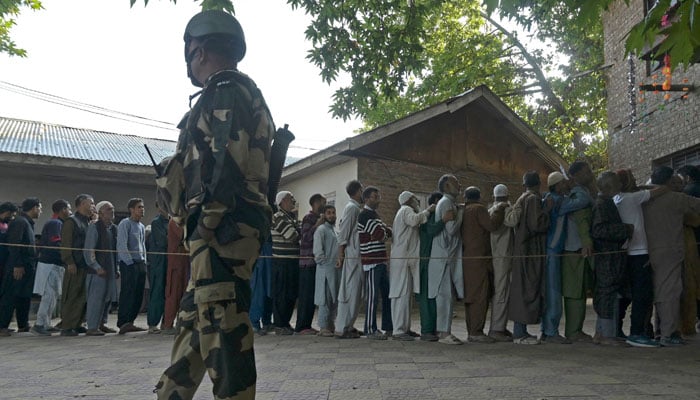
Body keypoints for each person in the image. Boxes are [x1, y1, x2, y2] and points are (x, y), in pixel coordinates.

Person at [155, 10, 275, 399]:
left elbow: (225, 163)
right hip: (222, 232)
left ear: (200, 50)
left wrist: (202, 226)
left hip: (222, 231)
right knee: (195, 324)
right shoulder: (238, 92)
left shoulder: (224, 91)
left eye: (191, 54)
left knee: (226, 337)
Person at [644, 166, 700, 346]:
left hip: (647, 250)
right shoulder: (677, 198)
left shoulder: (644, 198)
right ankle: (668, 334)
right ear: (668, 182)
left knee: (659, 291)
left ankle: (662, 331)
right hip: (669, 251)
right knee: (669, 292)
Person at [613, 169, 665, 347]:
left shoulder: (616, 199)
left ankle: (617, 329)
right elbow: (660, 190)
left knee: (625, 295)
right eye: (632, 179)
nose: (635, 181)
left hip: (624, 251)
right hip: (639, 252)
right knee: (642, 294)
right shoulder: (632, 198)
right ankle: (636, 332)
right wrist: (668, 184)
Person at [540, 172, 591, 344]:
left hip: (553, 250)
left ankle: (547, 330)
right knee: (554, 292)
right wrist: (576, 186)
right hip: (553, 251)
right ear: (558, 185)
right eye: (564, 183)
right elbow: (584, 201)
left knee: (551, 290)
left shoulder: (552, 198)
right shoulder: (558, 200)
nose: (566, 184)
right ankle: (551, 331)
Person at [508, 171, 552, 344]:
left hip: (523, 250)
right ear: (538, 184)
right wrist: (547, 210)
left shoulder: (522, 198)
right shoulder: (533, 199)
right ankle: (520, 333)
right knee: (527, 290)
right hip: (530, 251)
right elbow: (536, 224)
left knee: (523, 289)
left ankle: (521, 331)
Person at [590, 172, 634, 345]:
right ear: (608, 186)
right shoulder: (602, 204)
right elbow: (599, 230)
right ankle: (607, 335)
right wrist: (624, 230)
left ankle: (602, 333)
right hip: (607, 257)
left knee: (609, 293)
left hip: (613, 257)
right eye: (616, 183)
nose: (620, 186)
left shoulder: (607, 202)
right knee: (607, 294)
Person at [461, 186, 505, 343]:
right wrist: (499, 209)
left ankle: (471, 330)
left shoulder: (463, 210)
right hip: (480, 259)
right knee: (480, 296)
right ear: (479, 196)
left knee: (470, 296)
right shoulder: (479, 209)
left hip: (467, 258)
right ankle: (476, 331)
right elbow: (492, 226)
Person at [389, 191, 432, 341]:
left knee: (406, 295)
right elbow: (414, 221)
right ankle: (399, 330)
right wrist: (428, 211)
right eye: (414, 198)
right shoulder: (406, 210)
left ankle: (404, 328)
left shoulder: (403, 211)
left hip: (404, 259)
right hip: (403, 259)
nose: (417, 201)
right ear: (408, 200)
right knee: (401, 294)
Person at [428, 174, 465, 345]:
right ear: (447, 186)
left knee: (446, 295)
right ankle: (444, 333)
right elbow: (451, 229)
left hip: (447, 256)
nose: (459, 185)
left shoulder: (448, 202)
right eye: (456, 183)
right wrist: (462, 214)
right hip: (443, 257)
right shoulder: (446, 203)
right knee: (445, 295)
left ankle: (444, 330)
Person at [561, 161, 595, 342]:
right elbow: (582, 220)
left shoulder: (582, 193)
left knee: (580, 291)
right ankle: (573, 331)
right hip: (575, 249)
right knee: (575, 292)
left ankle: (576, 329)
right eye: (586, 171)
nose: (590, 174)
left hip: (576, 249)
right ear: (575, 176)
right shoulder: (578, 194)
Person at [0, 198, 41, 336]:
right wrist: (17, 264)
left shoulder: (27, 223)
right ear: (34, 208)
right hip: (18, 266)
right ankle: (2, 326)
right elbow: (14, 244)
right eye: (39, 208)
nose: (40, 211)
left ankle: (23, 324)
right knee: (10, 296)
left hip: (27, 265)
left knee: (23, 296)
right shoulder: (19, 222)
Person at [31, 199, 71, 336]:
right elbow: (56, 243)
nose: (70, 212)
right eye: (69, 209)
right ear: (63, 210)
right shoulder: (55, 223)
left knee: (53, 296)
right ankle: (39, 324)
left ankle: (46, 323)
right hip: (50, 264)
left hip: (56, 264)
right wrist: (67, 256)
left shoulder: (59, 223)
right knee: (48, 295)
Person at [358, 186, 392, 339]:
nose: (378, 199)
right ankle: (370, 329)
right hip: (371, 260)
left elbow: (385, 232)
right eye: (374, 196)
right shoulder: (365, 215)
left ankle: (388, 326)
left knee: (386, 294)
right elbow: (381, 235)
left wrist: (383, 231)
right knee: (372, 296)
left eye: (378, 196)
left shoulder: (374, 215)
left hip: (381, 259)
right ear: (366, 199)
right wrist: (383, 231)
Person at [418, 192, 452, 341]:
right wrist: (443, 220)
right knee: (426, 297)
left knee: (433, 297)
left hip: (433, 262)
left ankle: (433, 329)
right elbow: (431, 230)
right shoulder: (427, 218)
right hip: (425, 262)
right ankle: (426, 330)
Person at [59, 194, 95, 336]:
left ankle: (77, 322)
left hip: (85, 264)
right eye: (90, 203)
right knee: (72, 294)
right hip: (75, 264)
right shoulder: (71, 222)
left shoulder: (87, 222)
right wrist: (69, 261)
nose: (93, 206)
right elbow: (66, 243)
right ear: (81, 204)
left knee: (82, 296)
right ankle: (67, 325)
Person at [83, 201, 119, 336]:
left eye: (112, 209)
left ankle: (102, 324)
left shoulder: (113, 228)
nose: (112, 211)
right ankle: (92, 326)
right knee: (96, 298)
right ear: (101, 212)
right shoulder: (94, 227)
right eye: (109, 209)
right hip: (98, 271)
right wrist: (96, 267)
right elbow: (89, 250)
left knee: (108, 297)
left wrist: (117, 268)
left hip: (110, 268)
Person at [335, 180, 365, 339]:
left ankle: (349, 324)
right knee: (350, 292)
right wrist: (340, 255)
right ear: (359, 191)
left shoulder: (355, 208)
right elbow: (344, 232)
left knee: (357, 292)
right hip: (352, 256)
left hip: (358, 255)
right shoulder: (352, 208)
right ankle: (343, 327)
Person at [487, 184, 515, 342]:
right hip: (502, 257)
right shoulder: (502, 210)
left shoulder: (491, 210)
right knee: (501, 292)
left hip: (499, 256)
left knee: (502, 291)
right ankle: (496, 328)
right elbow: (512, 222)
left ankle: (500, 326)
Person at [271, 190, 300, 335]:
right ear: (282, 201)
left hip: (293, 261)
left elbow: (298, 233)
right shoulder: (278, 217)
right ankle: (279, 324)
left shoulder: (291, 218)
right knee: (281, 293)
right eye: (290, 199)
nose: (293, 202)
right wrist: (297, 230)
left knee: (291, 294)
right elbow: (293, 236)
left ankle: (286, 322)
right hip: (282, 262)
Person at [296, 193, 326, 335]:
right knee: (306, 295)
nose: (324, 205)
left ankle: (307, 324)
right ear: (315, 203)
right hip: (307, 262)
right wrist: (318, 225)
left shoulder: (319, 219)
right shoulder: (309, 218)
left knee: (312, 295)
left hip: (316, 263)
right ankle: (302, 326)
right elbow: (306, 237)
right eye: (322, 202)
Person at [117, 198, 147, 334]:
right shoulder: (125, 223)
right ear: (131, 209)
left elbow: (143, 245)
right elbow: (122, 245)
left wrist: (144, 261)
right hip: (129, 263)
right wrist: (129, 262)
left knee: (138, 294)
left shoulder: (141, 226)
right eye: (139, 207)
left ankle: (131, 321)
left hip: (140, 262)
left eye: (143, 207)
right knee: (128, 292)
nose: (142, 209)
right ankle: (123, 322)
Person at [313, 204, 340, 337]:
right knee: (325, 298)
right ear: (324, 215)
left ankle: (331, 324)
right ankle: (323, 326)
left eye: (333, 212)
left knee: (334, 298)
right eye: (329, 213)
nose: (332, 215)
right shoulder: (321, 230)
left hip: (335, 270)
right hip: (324, 270)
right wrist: (326, 264)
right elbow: (318, 252)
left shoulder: (335, 230)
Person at [161, 219, 189, 335]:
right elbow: (184, 235)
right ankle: (168, 324)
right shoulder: (175, 221)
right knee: (173, 294)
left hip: (185, 261)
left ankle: (180, 322)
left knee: (184, 293)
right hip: (176, 263)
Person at [146, 208, 169, 334]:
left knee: (168, 292)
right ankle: (153, 323)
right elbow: (163, 241)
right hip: (159, 262)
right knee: (157, 292)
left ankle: (166, 322)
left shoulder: (171, 222)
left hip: (169, 260)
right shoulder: (156, 223)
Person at [0, 202, 18, 292]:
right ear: (6, 212)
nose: (12, 218)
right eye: (12, 215)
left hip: (3, 261)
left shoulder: (6, 224)